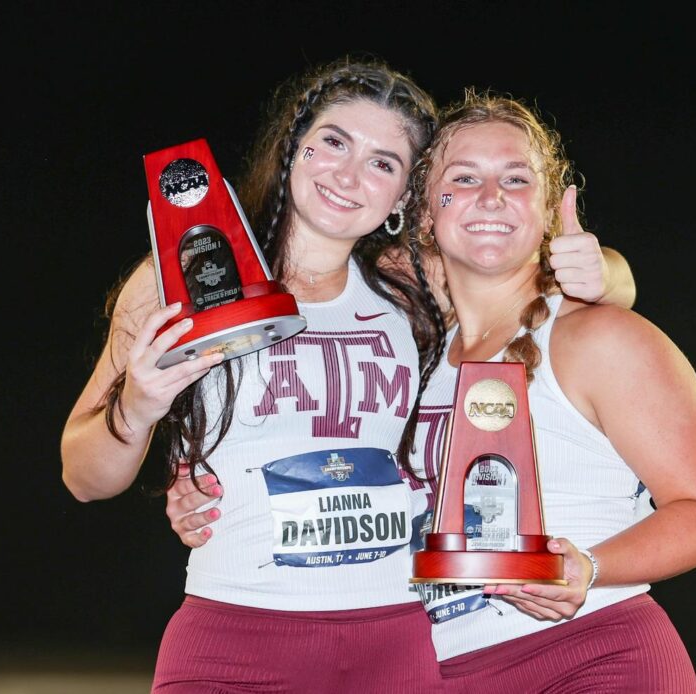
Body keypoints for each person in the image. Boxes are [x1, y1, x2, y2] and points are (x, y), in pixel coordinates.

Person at [62, 57, 634, 693]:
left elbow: (538, 277)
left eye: (383, 163)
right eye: (333, 142)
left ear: (403, 197)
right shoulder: (184, 278)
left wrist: (606, 270)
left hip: (393, 647)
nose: (349, 174)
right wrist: (136, 410)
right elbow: (83, 477)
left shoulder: (411, 287)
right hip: (234, 637)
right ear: (293, 149)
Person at [404, 92, 696, 691]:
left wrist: (588, 567)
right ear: (427, 212)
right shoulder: (417, 354)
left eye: (516, 179)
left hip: (594, 658)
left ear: (547, 209)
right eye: (464, 177)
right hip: (447, 672)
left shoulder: (595, 336)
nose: (490, 197)